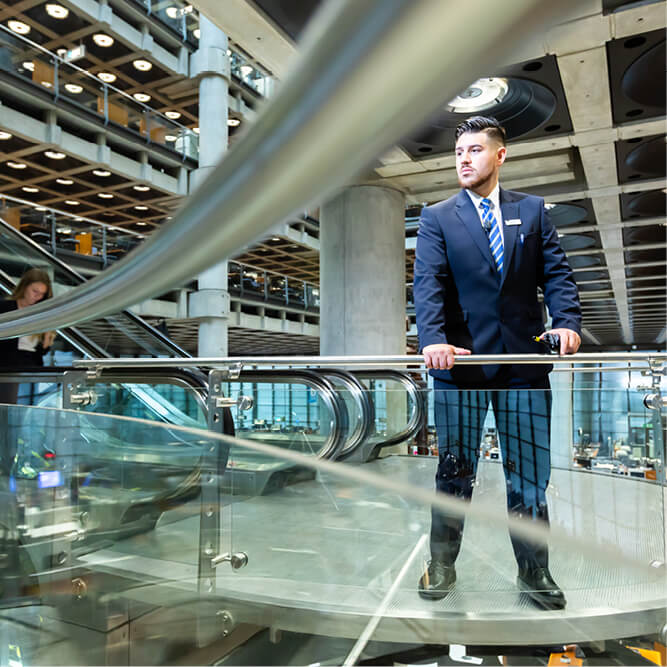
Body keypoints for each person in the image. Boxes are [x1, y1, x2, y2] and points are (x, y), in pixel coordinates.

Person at [413, 116, 581, 610]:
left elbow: (557, 274)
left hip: (523, 366)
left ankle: (535, 573)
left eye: (474, 150)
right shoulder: (437, 217)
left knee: (529, 478)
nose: (463, 158)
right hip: (458, 366)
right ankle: (441, 563)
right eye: (459, 151)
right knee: (453, 473)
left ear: (500, 155)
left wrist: (567, 321)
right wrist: (433, 339)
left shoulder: (530, 212)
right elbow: (428, 285)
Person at [0, 268, 55, 398]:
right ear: (24, 287)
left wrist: (48, 332)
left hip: (30, 368)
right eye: (34, 291)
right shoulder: (5, 308)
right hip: (6, 366)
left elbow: (42, 351)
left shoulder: (40, 314)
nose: (37, 297)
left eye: (42, 294)